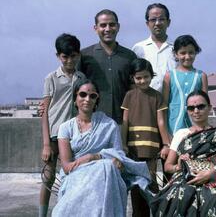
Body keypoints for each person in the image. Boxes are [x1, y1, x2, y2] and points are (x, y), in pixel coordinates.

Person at [51, 79, 152, 217]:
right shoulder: (65, 128)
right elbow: (68, 167)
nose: (87, 99)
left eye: (92, 96)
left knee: (108, 168)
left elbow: (118, 161)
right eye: (82, 94)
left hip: (105, 179)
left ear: (97, 100)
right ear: (75, 99)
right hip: (76, 178)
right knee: (105, 167)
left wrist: (94, 157)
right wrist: (94, 163)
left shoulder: (109, 125)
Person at [151, 90, 216, 217]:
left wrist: (211, 173)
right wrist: (179, 165)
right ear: (187, 110)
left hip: (215, 178)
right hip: (185, 178)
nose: (196, 111)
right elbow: (167, 167)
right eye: (191, 108)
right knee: (180, 195)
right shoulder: (181, 134)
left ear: (209, 108)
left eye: (200, 106)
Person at [39, 33, 86, 217]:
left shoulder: (82, 78)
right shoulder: (51, 78)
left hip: (74, 134)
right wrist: (45, 144)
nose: (69, 60)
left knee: (74, 175)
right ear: (58, 56)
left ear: (78, 55)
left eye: (73, 56)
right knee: (48, 177)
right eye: (65, 56)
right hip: (53, 134)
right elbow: (44, 111)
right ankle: (42, 214)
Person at [121, 58, 171, 217]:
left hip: (151, 147)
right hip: (133, 148)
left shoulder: (157, 96)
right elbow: (125, 122)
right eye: (138, 78)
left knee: (150, 182)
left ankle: (155, 212)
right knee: (136, 185)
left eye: (146, 77)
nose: (142, 81)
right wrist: (123, 144)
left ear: (151, 76)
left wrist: (166, 144)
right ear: (133, 78)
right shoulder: (129, 95)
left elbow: (161, 122)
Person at [80, 9, 137, 124]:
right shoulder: (85, 56)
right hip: (92, 121)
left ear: (118, 27)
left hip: (123, 122)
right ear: (95, 28)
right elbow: (74, 88)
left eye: (112, 25)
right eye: (103, 25)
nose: (107, 29)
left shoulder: (129, 56)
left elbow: (135, 89)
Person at [162, 34, 208, 137]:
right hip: (173, 128)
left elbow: (205, 106)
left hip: (197, 129)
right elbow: (163, 108)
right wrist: (166, 137)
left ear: (196, 53)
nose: (187, 57)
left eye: (191, 52)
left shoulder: (201, 76)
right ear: (175, 54)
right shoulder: (169, 76)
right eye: (183, 53)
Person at [132, 3, 176, 93]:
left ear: (168, 22)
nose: (157, 23)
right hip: (145, 102)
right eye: (153, 20)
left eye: (161, 19)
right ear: (147, 23)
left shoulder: (177, 49)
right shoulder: (138, 48)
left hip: (172, 103)